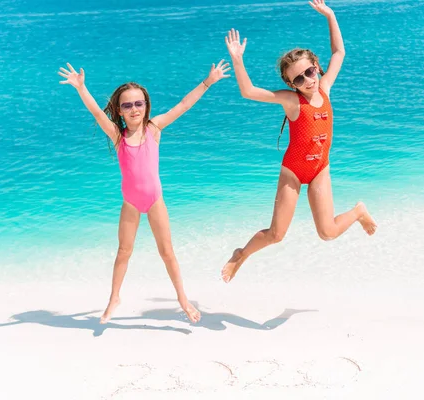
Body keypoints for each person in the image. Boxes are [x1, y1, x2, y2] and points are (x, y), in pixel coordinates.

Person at [58, 60, 231, 322]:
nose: (134, 108)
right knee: (123, 252)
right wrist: (81, 88)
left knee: (167, 253)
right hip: (130, 203)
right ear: (119, 111)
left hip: (154, 202)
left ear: (146, 106)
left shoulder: (154, 129)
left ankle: (183, 298)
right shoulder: (118, 136)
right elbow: (96, 113)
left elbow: (183, 105)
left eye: (139, 103)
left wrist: (208, 81)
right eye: (127, 105)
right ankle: (114, 297)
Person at [221, 0, 377, 283]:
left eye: (310, 72)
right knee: (276, 234)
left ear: (316, 67)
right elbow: (248, 91)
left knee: (327, 232)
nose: (307, 80)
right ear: (291, 84)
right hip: (293, 171)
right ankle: (241, 254)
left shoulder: (325, 88)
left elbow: (339, 51)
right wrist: (237, 59)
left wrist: (330, 14)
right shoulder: (292, 101)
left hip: (320, 169)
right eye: (298, 78)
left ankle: (358, 211)